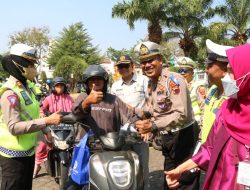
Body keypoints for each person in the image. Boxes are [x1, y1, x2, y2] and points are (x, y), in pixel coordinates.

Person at [165, 43, 250, 190]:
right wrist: (181, 169)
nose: (226, 77)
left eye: (232, 71)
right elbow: (209, 149)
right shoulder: (227, 108)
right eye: (227, 70)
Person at [134, 41, 200, 190]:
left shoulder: (173, 80)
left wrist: (153, 125)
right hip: (168, 138)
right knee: (170, 180)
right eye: (143, 62)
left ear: (160, 60)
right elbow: (152, 111)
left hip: (184, 136)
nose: (147, 65)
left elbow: (180, 114)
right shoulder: (151, 83)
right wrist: (132, 110)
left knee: (186, 181)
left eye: (151, 60)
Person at [67, 64, 140, 190]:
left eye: (99, 79)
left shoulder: (114, 100)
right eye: (91, 80)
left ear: (104, 81)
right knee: (73, 186)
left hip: (112, 149)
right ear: (87, 83)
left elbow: (130, 118)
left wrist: (138, 128)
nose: (95, 82)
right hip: (87, 150)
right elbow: (75, 114)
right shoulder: (83, 97)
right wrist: (87, 102)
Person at [0, 43, 62, 190]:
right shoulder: (10, 92)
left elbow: (32, 115)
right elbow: (14, 127)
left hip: (28, 152)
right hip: (13, 157)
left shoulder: (28, 88)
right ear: (18, 64)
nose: (33, 67)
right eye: (30, 63)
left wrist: (46, 131)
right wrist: (47, 120)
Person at [111, 55, 149, 189]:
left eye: (126, 66)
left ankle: (145, 187)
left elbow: (150, 104)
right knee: (124, 164)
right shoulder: (115, 86)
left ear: (132, 66)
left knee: (142, 163)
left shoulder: (143, 80)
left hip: (140, 129)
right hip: (122, 131)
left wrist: (148, 126)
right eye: (120, 66)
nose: (123, 69)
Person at [33, 76, 74, 178]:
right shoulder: (48, 98)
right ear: (53, 87)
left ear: (65, 87)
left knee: (76, 144)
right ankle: (37, 165)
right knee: (42, 145)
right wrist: (42, 113)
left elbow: (75, 110)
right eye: (57, 86)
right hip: (52, 125)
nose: (60, 88)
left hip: (67, 125)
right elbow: (41, 108)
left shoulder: (69, 98)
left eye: (62, 86)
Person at [201, 39, 233, 143]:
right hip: (206, 148)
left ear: (225, 69)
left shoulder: (234, 95)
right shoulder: (213, 89)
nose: (206, 70)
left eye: (210, 66)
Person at [176, 57, 207, 126]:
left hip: (196, 123)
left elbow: (204, 107)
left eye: (185, 70)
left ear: (192, 72)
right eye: (180, 70)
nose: (182, 73)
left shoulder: (199, 87)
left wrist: (202, 125)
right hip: (182, 124)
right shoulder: (176, 87)